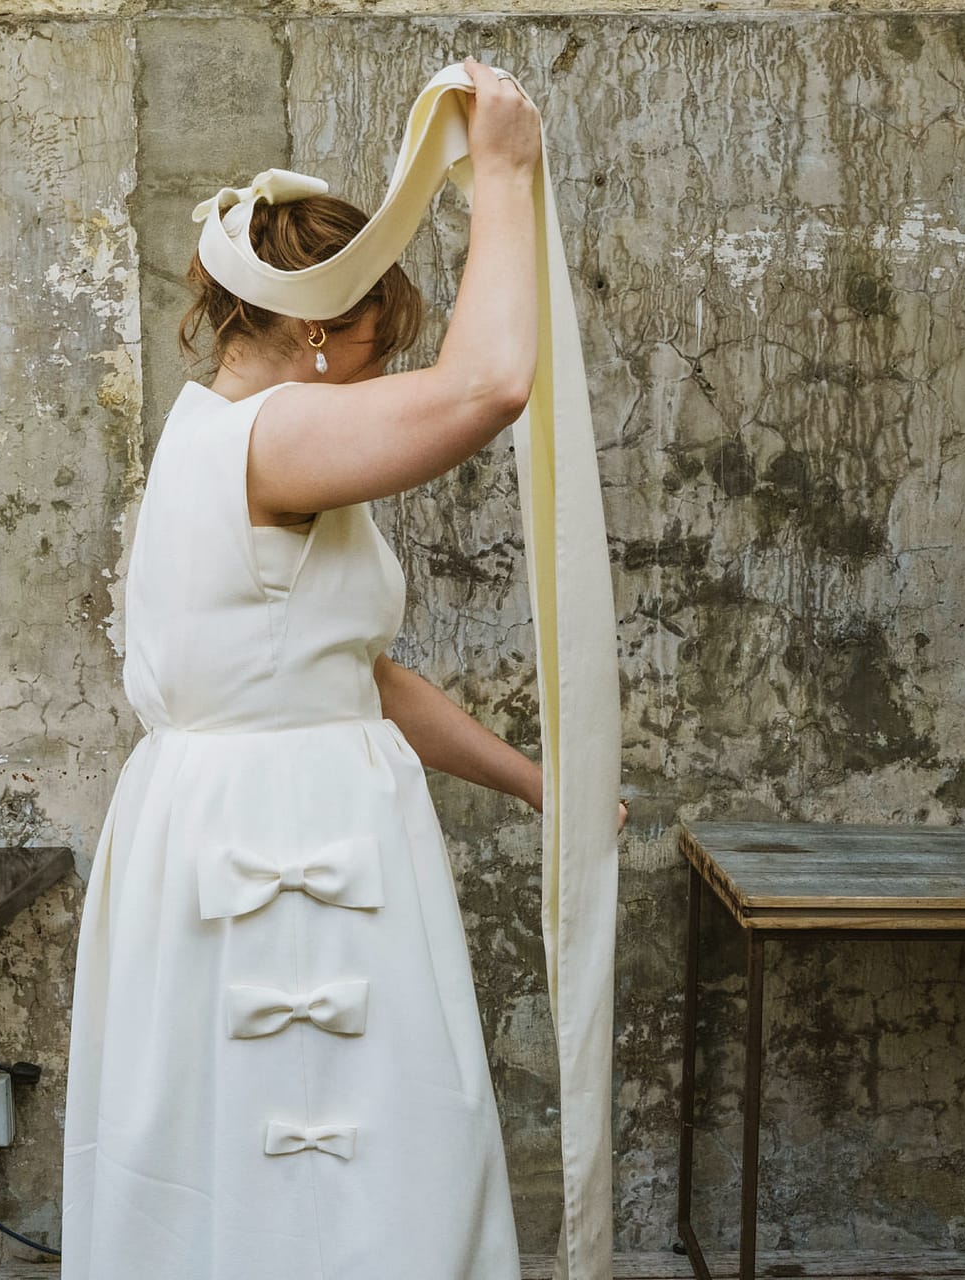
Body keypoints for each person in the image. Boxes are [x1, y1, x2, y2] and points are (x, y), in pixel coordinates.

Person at [60, 55, 628, 1278]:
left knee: (310, 1170)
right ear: (316, 327)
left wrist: (541, 784)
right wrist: (502, 175)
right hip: (277, 847)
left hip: (261, 823)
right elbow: (489, 385)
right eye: (376, 335)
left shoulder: (215, 433)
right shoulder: (270, 436)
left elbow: (357, 677)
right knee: (313, 1176)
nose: (384, 361)